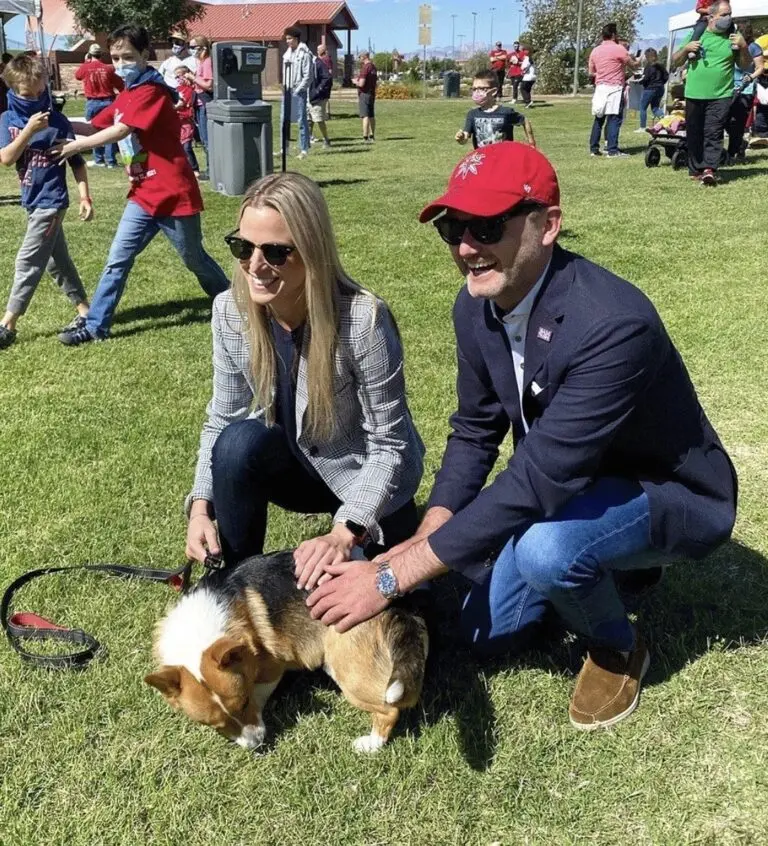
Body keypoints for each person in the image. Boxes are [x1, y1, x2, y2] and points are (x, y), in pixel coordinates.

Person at [304, 141, 737, 732]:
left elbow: (538, 480)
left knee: (547, 553)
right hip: (572, 486)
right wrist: (426, 535)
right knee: (485, 635)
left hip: (664, 492)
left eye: (486, 226)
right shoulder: (475, 305)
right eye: (453, 228)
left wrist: (390, 576)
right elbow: (475, 430)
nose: (465, 247)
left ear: (548, 225)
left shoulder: (614, 324)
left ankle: (617, 645)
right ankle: (614, 566)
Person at [185, 171, 425, 585]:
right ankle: (235, 580)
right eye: (243, 247)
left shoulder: (362, 320)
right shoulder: (229, 310)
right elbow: (222, 418)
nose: (254, 266)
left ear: (311, 250)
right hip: (292, 467)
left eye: (275, 253)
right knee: (236, 442)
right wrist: (200, 508)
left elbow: (390, 444)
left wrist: (345, 531)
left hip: (363, 475)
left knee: (382, 593)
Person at [52, 24, 229, 346]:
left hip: (173, 194)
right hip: (143, 194)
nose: (121, 64)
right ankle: (96, 327)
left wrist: (74, 147)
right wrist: (53, 121)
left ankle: (232, 303)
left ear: (145, 54)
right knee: (117, 259)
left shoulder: (152, 91)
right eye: (116, 57)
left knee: (194, 260)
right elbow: (95, 126)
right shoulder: (129, 93)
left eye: (128, 57)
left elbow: (121, 131)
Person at [0, 55, 92, 350]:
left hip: (52, 202)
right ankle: (86, 313)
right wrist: (29, 130)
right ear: (13, 91)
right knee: (57, 262)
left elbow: (77, 163)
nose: (37, 99)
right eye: (28, 95)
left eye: (41, 92)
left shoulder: (58, 121)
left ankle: (7, 324)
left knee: (27, 261)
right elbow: (6, 158)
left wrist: (84, 196)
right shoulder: (8, 120)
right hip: (32, 201)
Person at [672, 0, 753, 184]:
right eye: (724, 15)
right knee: (694, 133)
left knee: (713, 132)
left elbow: (744, 64)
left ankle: (709, 169)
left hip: (721, 95)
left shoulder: (733, 37)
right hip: (694, 94)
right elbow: (675, 61)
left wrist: (743, 47)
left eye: (730, 14)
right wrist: (686, 49)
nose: (728, 18)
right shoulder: (696, 34)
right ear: (711, 17)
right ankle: (695, 169)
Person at [589, 23, 640, 157]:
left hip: (600, 87)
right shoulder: (619, 49)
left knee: (599, 118)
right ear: (613, 35)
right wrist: (639, 60)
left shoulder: (595, 51)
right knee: (614, 119)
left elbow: (591, 72)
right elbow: (633, 65)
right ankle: (612, 150)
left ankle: (594, 149)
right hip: (615, 88)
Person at [456, 69, 535, 148]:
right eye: (474, 89)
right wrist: (461, 137)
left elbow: (524, 120)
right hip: (483, 155)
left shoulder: (506, 112)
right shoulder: (472, 114)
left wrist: (531, 143)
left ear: (493, 91)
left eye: (481, 89)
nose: (477, 92)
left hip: (504, 155)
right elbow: (465, 137)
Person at [74, 43, 123, 168]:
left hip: (92, 102)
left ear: (90, 54)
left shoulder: (86, 68)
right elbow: (120, 85)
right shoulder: (108, 69)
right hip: (108, 102)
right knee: (110, 131)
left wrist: (86, 62)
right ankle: (111, 161)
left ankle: (99, 160)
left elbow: (78, 76)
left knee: (94, 131)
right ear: (101, 54)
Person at [725, 23, 764, 161]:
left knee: (737, 121)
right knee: (725, 119)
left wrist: (751, 77)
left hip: (745, 89)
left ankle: (732, 153)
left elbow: (760, 68)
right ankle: (740, 143)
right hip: (728, 87)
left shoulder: (754, 48)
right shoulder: (731, 46)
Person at [281, 26, 312, 159]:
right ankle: (284, 148)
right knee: (284, 120)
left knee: (301, 121)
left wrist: (298, 90)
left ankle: (304, 150)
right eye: (286, 39)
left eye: (289, 38)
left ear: (296, 39)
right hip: (287, 91)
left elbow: (308, 76)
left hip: (299, 92)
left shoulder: (305, 54)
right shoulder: (287, 54)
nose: (287, 41)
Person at [189, 35, 213, 178]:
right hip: (198, 104)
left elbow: (209, 85)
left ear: (203, 48)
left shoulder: (207, 62)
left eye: (193, 47)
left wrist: (193, 78)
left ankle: (212, 170)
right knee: (203, 139)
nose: (191, 50)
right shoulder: (201, 62)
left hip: (205, 104)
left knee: (207, 139)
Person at [636, 48, 668, 132]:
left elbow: (646, 78)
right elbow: (666, 76)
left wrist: (639, 82)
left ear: (647, 56)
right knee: (655, 108)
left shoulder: (649, 66)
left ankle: (642, 127)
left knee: (643, 108)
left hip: (650, 89)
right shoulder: (661, 66)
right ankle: (666, 122)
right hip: (660, 88)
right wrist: (661, 83)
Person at [174, 65, 199, 175]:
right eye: (176, 77)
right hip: (178, 121)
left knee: (187, 146)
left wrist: (174, 107)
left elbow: (183, 103)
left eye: (179, 76)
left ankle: (194, 169)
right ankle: (183, 169)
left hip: (187, 120)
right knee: (179, 147)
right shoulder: (177, 89)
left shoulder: (191, 89)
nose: (178, 79)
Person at [308, 45, 332, 148]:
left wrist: (318, 90)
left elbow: (327, 77)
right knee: (308, 120)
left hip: (317, 97)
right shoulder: (306, 64)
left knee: (319, 119)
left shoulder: (319, 63)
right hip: (307, 96)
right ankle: (308, 139)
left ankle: (326, 139)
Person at [355, 51, 378, 143]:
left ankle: (365, 137)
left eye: (360, 57)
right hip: (371, 93)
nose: (359, 59)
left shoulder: (365, 67)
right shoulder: (373, 67)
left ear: (363, 57)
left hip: (364, 94)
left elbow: (361, 83)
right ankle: (372, 135)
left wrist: (355, 82)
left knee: (365, 115)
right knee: (371, 115)